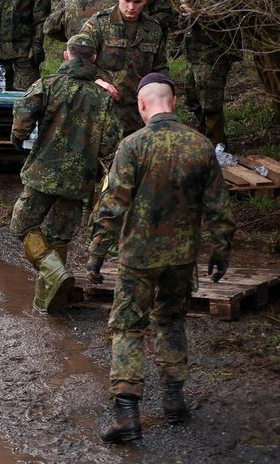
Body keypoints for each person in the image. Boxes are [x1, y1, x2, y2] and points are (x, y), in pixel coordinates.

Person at [88, 73, 236, 444]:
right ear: (172, 102)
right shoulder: (201, 146)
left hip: (138, 257)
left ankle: (127, 415)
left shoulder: (133, 145)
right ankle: (174, 403)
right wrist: (221, 250)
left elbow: (113, 204)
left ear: (142, 105)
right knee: (171, 323)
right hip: (182, 258)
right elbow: (219, 207)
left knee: (127, 327)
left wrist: (96, 251)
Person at [10, 34, 120, 313]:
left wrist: (18, 139)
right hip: (80, 178)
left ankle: (54, 273)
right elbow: (110, 141)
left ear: (66, 55)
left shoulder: (48, 85)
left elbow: (22, 117)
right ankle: (48, 302)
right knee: (59, 236)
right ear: (94, 59)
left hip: (43, 172)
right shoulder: (103, 96)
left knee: (21, 225)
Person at [80, 0, 169, 135]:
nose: (131, 7)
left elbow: (160, 68)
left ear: (146, 0)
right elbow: (79, 60)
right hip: (103, 106)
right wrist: (99, 81)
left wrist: (160, 94)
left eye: (137, 2)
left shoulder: (153, 29)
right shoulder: (99, 23)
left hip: (138, 111)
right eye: (127, 0)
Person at [181, 0, 243, 145]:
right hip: (195, 52)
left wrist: (196, 13)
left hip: (215, 54)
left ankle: (216, 144)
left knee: (211, 103)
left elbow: (225, 19)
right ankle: (203, 137)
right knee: (192, 97)